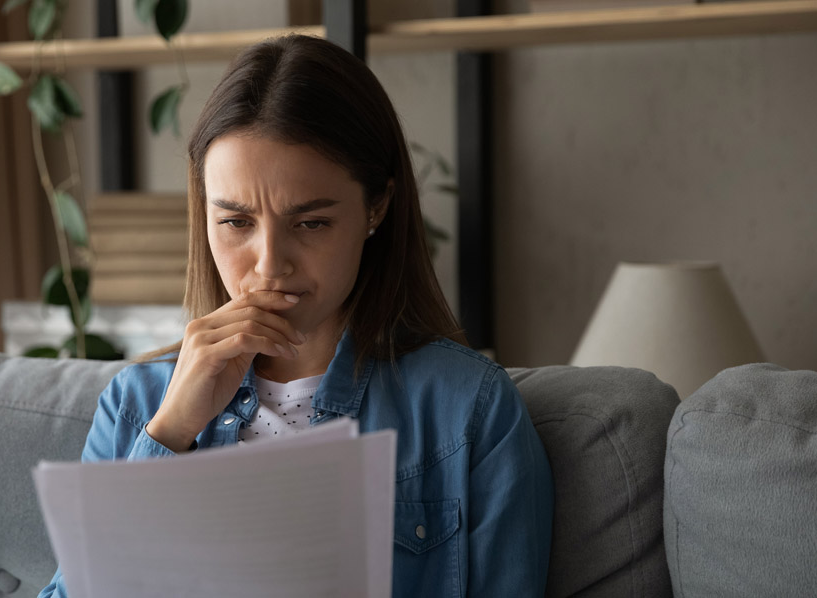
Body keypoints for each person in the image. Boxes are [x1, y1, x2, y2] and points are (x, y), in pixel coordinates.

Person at [39, 34, 552, 598]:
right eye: (235, 223)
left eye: (310, 223)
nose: (269, 264)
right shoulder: (136, 407)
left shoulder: (467, 412)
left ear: (376, 206)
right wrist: (171, 433)